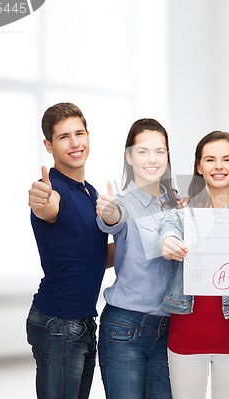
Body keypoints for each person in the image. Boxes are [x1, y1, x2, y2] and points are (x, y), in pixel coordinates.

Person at [159, 131, 229, 399]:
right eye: (210, 159)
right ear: (199, 167)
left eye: (226, 159)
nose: (218, 166)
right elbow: (167, 231)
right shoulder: (179, 217)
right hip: (186, 338)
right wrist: (169, 241)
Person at [26, 102, 114, 399]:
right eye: (64, 137)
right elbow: (47, 207)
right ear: (48, 145)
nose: (75, 143)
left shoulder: (90, 192)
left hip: (82, 323)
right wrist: (41, 199)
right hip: (58, 322)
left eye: (80, 133)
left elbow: (93, 257)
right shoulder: (52, 190)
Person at [95, 118, 179, 399]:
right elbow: (112, 219)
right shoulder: (121, 203)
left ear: (168, 155)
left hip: (168, 329)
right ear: (129, 156)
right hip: (125, 328)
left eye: (160, 151)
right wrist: (107, 212)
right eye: (142, 151)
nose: (152, 159)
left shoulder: (178, 203)